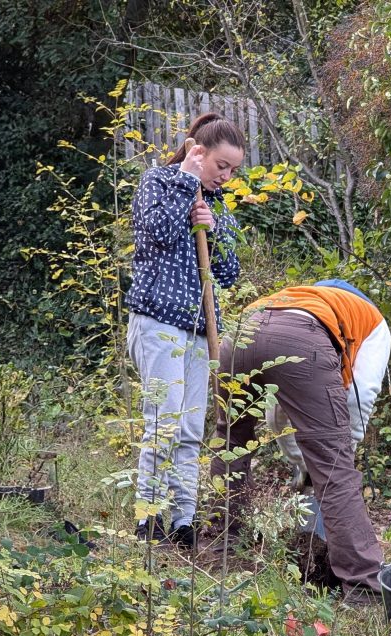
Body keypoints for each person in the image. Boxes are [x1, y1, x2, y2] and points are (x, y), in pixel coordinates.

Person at [209, 281, 388, 605]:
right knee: (335, 467)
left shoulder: (302, 298)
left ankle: (221, 544)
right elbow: (360, 397)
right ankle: (363, 588)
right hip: (297, 340)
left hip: (239, 333)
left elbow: (280, 412)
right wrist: (335, 456)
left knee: (232, 439)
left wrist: (302, 465)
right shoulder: (374, 322)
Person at [126, 113, 245, 547]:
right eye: (221, 167)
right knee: (164, 425)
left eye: (233, 170)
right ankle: (148, 518)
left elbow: (228, 274)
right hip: (158, 324)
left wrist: (213, 233)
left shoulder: (217, 206)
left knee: (192, 429)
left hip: (198, 332)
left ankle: (183, 521)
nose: (227, 177)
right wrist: (184, 185)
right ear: (199, 152)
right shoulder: (158, 182)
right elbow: (154, 233)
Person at [265, 279, 391, 492]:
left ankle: (332, 474)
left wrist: (340, 461)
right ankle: (306, 471)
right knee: (278, 415)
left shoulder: (373, 329)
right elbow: (277, 415)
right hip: (308, 328)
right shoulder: (291, 318)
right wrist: (305, 464)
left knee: (352, 399)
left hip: (366, 326)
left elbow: (358, 399)